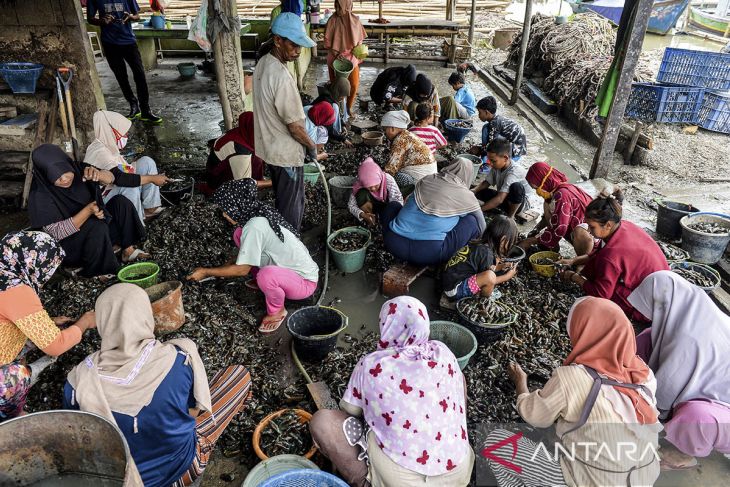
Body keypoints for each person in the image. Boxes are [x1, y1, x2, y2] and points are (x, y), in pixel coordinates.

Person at [64, 283, 252, 487]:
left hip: (120, 481)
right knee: (238, 376)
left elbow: (81, 441)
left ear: (102, 323)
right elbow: (191, 415)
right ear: (146, 315)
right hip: (182, 470)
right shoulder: (179, 359)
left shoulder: (77, 383)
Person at [486, 297, 661, 487]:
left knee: (497, 444)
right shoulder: (643, 373)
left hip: (596, 481)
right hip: (643, 476)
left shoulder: (572, 377)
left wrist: (521, 383)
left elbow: (534, 415)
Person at [310, 296, 474, 487]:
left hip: (402, 483)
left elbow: (349, 410)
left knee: (324, 422)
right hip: (459, 473)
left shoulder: (372, 365)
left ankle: (365, 481)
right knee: (459, 377)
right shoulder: (443, 352)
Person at [187, 180, 319, 333]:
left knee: (266, 276)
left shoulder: (254, 226)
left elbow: (241, 270)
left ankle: (277, 311)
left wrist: (206, 272)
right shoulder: (255, 217)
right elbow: (244, 252)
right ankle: (263, 282)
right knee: (239, 234)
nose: (224, 214)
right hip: (285, 271)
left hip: (304, 282)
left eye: (226, 208)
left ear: (236, 206)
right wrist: (223, 267)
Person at [628, 271, 730, 469]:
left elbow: (664, 394)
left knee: (696, 418)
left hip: (722, 409)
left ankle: (684, 455)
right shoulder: (694, 308)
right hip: (715, 379)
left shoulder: (689, 340)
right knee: (651, 337)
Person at [0, 231, 96, 422]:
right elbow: (56, 345)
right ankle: (9, 413)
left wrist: (48, 321)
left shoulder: (4, 272)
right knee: (14, 378)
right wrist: (84, 323)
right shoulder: (16, 290)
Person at [28, 144, 147, 277]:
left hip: (98, 236)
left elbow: (112, 177)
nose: (64, 179)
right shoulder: (39, 194)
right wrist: (88, 211)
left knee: (120, 203)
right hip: (71, 248)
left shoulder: (78, 168)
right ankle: (101, 271)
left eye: (65, 172)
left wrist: (100, 174)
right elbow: (54, 234)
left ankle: (128, 251)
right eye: (56, 177)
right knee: (95, 225)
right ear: (45, 175)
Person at [558, 190, 669, 322]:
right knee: (600, 269)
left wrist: (574, 277)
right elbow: (596, 254)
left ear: (608, 225)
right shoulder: (623, 226)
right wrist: (573, 261)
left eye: (592, 227)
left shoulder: (611, 255)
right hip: (665, 287)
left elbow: (601, 294)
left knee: (608, 290)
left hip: (655, 306)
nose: (588, 230)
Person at [253, 12, 317, 231]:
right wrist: (311, 146)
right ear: (278, 40)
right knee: (291, 208)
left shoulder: (263, 62)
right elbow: (295, 127)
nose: (298, 51)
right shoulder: (280, 76)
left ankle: (283, 239)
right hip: (286, 155)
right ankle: (290, 251)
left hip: (271, 150)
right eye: (294, 45)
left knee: (283, 200)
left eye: (301, 45)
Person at [381, 158, 486, 267]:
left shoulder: (427, 179)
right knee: (472, 221)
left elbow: (408, 199)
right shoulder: (467, 196)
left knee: (393, 205)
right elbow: (482, 226)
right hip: (428, 253)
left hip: (393, 243)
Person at [84, 110, 169, 223]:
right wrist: (153, 179)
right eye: (124, 133)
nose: (126, 136)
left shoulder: (107, 143)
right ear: (111, 131)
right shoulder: (99, 152)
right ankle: (137, 224)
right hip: (101, 200)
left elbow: (119, 168)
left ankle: (150, 209)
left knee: (146, 162)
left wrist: (134, 168)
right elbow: (120, 178)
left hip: (112, 185)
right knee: (130, 186)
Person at [87, 0, 162, 123]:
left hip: (129, 42)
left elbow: (137, 16)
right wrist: (102, 21)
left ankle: (145, 110)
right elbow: (90, 18)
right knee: (121, 76)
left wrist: (131, 17)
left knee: (140, 75)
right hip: (109, 43)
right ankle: (134, 106)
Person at [517, 162, 594, 256]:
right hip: (581, 231)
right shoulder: (559, 190)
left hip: (591, 238)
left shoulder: (562, 195)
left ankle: (582, 262)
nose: (536, 191)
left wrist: (529, 242)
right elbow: (551, 217)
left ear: (543, 181)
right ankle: (552, 245)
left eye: (536, 187)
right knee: (547, 203)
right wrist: (537, 229)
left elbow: (560, 228)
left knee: (573, 232)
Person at [441, 215, 519, 308]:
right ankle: (481, 303)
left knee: (489, 274)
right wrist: (506, 276)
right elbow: (489, 279)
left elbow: (483, 269)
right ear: (503, 240)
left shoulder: (479, 244)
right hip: (454, 290)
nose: (511, 245)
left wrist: (501, 267)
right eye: (511, 242)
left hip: (447, 282)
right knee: (490, 277)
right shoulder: (486, 253)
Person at [204, 112, 266, 196]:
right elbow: (244, 184)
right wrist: (272, 182)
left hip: (215, 169)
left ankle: (259, 182)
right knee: (245, 191)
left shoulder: (243, 132)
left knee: (258, 155)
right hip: (217, 182)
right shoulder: (240, 149)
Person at [324, 0, 367, 113]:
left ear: (348, 6)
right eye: (336, 6)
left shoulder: (356, 21)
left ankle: (348, 107)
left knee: (353, 85)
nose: (337, 9)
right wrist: (335, 53)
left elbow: (359, 41)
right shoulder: (332, 20)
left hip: (351, 59)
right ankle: (336, 108)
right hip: (335, 59)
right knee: (336, 87)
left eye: (340, 7)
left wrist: (358, 49)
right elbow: (328, 44)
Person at [471, 139, 530, 218]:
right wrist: (473, 190)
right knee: (478, 190)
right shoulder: (497, 165)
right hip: (504, 197)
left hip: (518, 204)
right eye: (489, 160)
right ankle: (496, 208)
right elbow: (487, 182)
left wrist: (479, 210)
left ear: (505, 158)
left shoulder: (514, 171)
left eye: (493, 161)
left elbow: (500, 199)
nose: (490, 164)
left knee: (516, 187)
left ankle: (510, 216)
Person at [381, 110, 436, 195]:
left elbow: (390, 170)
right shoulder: (406, 135)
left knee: (393, 178)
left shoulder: (400, 140)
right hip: (430, 177)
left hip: (421, 181)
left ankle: (406, 195)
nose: (385, 133)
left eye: (385, 130)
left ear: (392, 128)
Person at [348, 157, 403, 226]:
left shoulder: (387, 179)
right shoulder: (359, 183)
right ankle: (371, 219)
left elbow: (396, 199)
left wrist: (391, 217)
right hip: (373, 206)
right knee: (361, 194)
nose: (373, 189)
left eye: (376, 185)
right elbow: (351, 205)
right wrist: (362, 214)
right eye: (369, 187)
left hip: (387, 204)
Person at [471, 96, 526, 160]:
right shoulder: (497, 119)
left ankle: (485, 161)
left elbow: (492, 146)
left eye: (479, 112)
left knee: (490, 151)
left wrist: (479, 149)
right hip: (518, 147)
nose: (478, 115)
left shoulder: (494, 123)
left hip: (515, 151)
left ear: (486, 112)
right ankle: (485, 152)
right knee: (486, 128)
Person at [312, 77, 353, 143]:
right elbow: (328, 128)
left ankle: (338, 131)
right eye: (342, 95)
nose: (343, 98)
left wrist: (343, 125)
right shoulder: (327, 102)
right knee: (335, 107)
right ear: (337, 91)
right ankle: (335, 135)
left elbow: (339, 115)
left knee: (342, 102)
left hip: (326, 123)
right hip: (318, 126)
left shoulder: (332, 94)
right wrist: (342, 139)